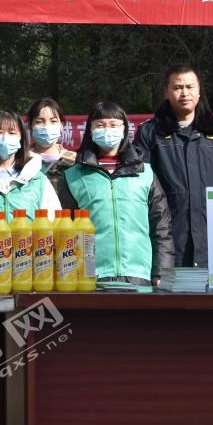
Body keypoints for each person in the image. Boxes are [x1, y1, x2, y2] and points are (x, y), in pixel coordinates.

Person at [134, 65, 213, 267]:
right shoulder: (150, 133)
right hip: (169, 240)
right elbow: (140, 190)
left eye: (190, 87)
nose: (184, 93)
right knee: (171, 287)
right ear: (166, 92)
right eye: (177, 87)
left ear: (199, 91)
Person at [59, 101, 175, 286]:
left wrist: (162, 272)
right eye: (100, 125)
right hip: (90, 277)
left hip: (139, 275)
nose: (107, 130)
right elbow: (65, 231)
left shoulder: (145, 173)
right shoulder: (73, 176)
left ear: (124, 129)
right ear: (90, 130)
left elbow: (161, 226)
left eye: (114, 125)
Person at [0, 110, 61, 245]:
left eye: (12, 132)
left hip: (29, 258)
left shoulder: (38, 181)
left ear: (21, 138)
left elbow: (55, 225)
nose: (5, 138)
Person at [27, 98, 77, 192]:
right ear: (31, 126)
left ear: (61, 125)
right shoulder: (22, 159)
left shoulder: (73, 160)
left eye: (53, 121)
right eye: (39, 121)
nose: (47, 126)